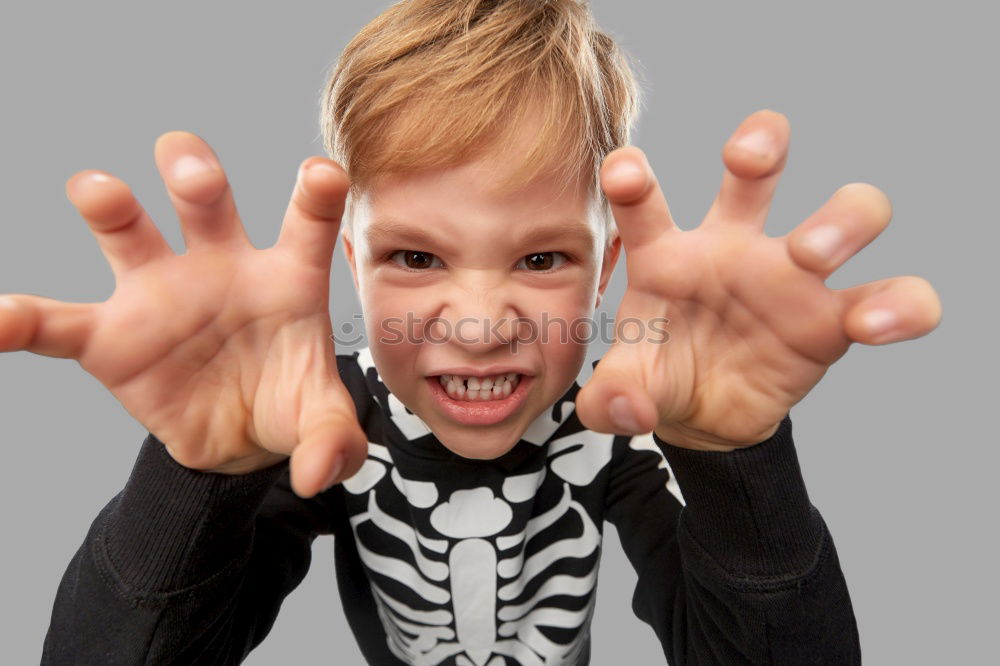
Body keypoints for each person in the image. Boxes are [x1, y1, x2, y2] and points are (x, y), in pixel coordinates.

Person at [15, 0, 940, 663]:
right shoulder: (321, 419)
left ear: (609, 266)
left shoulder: (625, 423)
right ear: (346, 263)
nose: (479, 323)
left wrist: (738, 460)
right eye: (415, 258)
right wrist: (198, 480)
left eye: (542, 261)